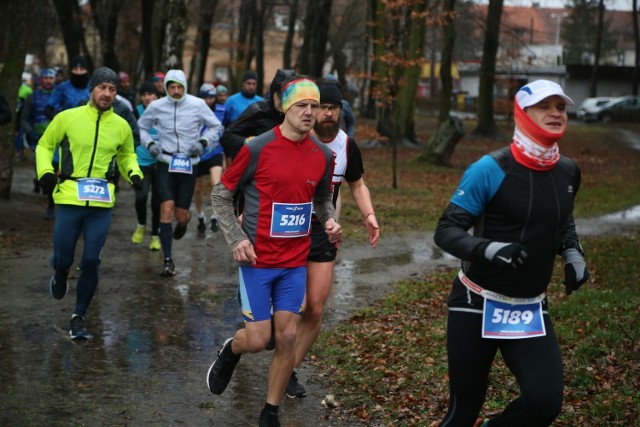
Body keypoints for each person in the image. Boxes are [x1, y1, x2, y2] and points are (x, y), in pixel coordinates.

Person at [433, 80, 590, 427]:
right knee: (463, 410)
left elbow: (562, 220)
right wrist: (488, 249)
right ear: (523, 113)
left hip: (529, 308)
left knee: (544, 402)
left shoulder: (568, 171)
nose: (555, 113)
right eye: (544, 106)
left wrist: (573, 254)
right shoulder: (489, 169)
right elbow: (446, 230)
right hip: (476, 303)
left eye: (560, 107)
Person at [206, 76, 341, 427]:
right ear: (284, 107)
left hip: (295, 262)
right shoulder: (257, 148)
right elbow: (220, 195)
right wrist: (237, 238)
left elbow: (323, 198)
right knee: (258, 339)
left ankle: (270, 410)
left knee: (288, 336)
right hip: (257, 261)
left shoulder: (323, 155)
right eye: (302, 105)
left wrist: (328, 220)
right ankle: (230, 349)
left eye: (315, 106)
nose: (310, 112)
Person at [287, 78, 380, 398]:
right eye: (321, 107)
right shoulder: (294, 137)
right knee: (293, 306)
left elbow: (357, 184)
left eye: (333, 108)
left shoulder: (346, 145)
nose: (327, 114)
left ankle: (287, 371)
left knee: (314, 307)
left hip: (325, 230)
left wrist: (369, 215)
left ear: (341, 111)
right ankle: (264, 339)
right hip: (289, 227)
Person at [35, 66, 143, 340]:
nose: (107, 94)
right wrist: (46, 172)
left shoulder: (120, 126)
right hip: (69, 196)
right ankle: (60, 273)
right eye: (102, 88)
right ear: (92, 90)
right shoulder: (67, 118)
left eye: (112, 89)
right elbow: (45, 146)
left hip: (101, 202)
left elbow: (127, 155)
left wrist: (134, 173)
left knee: (92, 260)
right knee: (63, 257)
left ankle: (78, 317)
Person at [138, 69, 223, 276]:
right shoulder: (157, 106)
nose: (175, 91)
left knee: (181, 215)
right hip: (165, 162)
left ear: (185, 87)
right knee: (166, 207)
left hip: (188, 163)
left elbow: (216, 126)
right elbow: (141, 126)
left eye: (179, 87)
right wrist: (150, 144)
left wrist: (203, 143)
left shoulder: (197, 104)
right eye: (171, 87)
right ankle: (168, 260)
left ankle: (183, 223)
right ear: (166, 88)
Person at [220, 69, 294, 162]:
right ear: (273, 93)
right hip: (255, 167)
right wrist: (249, 142)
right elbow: (226, 135)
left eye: (289, 98)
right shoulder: (257, 109)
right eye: (281, 97)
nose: (284, 102)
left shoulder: (296, 114)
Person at [131, 81, 162, 250]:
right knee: (141, 197)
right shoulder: (136, 111)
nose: (147, 98)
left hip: (160, 162)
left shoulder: (164, 110)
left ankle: (155, 235)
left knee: (157, 202)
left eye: (150, 94)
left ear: (156, 96)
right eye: (143, 95)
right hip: (141, 161)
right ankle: (141, 224)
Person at [193, 83, 225, 235]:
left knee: (216, 184)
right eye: (205, 97)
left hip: (215, 152)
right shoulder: (193, 111)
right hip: (198, 155)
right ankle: (200, 217)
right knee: (198, 190)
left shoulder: (222, 110)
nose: (208, 100)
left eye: (211, 97)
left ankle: (214, 216)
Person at [21, 68, 56, 201]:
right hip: (37, 137)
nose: (48, 81)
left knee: (54, 165)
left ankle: (50, 195)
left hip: (55, 137)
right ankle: (39, 181)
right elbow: (24, 118)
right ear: (41, 79)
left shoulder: (58, 95)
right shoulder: (33, 96)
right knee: (39, 163)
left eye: (51, 78)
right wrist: (30, 131)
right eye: (46, 78)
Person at [45, 55, 91, 119]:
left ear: (87, 71)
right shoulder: (63, 88)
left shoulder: (93, 87)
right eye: (75, 69)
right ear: (70, 71)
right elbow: (48, 109)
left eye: (82, 69)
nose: (78, 72)